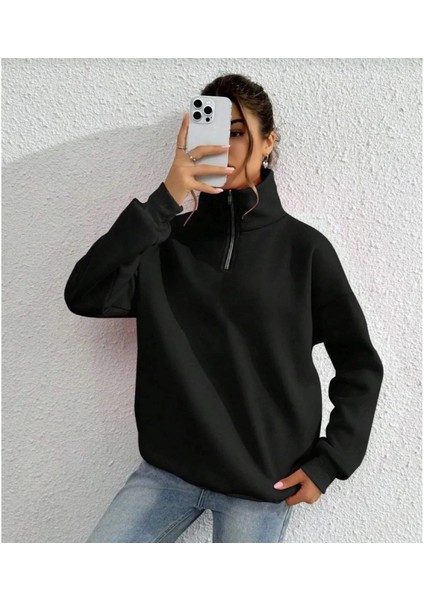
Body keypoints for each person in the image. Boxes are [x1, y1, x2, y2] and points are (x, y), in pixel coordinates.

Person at [64, 73, 384, 543]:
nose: (223, 145)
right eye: (209, 130)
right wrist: (166, 198)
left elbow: (359, 364)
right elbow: (84, 294)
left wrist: (331, 461)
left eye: (237, 132)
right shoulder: (167, 242)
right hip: (167, 472)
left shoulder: (305, 251)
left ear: (268, 142)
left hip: (262, 482)